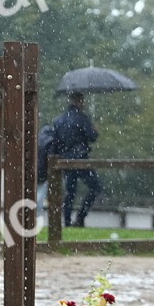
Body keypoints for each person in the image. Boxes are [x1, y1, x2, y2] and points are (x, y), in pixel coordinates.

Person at [52, 91, 101, 227]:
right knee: (95, 187)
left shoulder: (58, 120)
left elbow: (55, 142)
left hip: (65, 160)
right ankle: (80, 217)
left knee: (70, 192)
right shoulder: (82, 118)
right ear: (79, 101)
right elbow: (92, 137)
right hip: (81, 159)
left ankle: (67, 221)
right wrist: (94, 130)